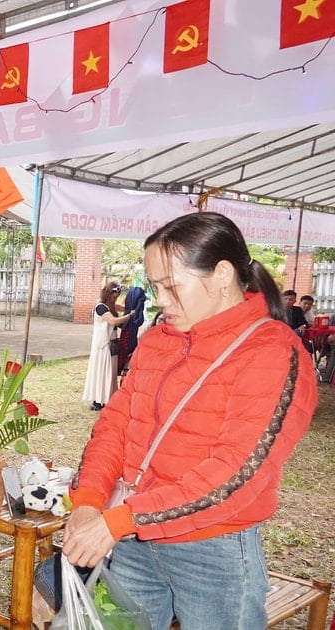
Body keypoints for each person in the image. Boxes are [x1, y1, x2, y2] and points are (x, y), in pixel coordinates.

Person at [63, 212, 317, 630]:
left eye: (171, 285)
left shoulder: (271, 352)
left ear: (221, 274)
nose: (160, 299)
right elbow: (115, 426)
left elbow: (235, 475)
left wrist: (120, 519)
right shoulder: (158, 340)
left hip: (213, 549)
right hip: (130, 537)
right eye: (155, 286)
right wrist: (89, 502)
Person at [83, 282, 132, 411]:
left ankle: (108, 398)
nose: (114, 299)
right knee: (101, 371)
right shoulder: (101, 307)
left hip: (112, 343)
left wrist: (132, 305)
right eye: (114, 296)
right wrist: (130, 316)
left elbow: (120, 308)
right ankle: (98, 400)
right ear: (109, 293)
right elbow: (113, 321)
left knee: (110, 372)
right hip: (103, 345)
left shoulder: (109, 305)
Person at [117, 284, 146, 376]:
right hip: (130, 334)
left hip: (127, 333)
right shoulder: (134, 313)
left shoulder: (128, 311)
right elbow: (138, 321)